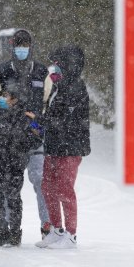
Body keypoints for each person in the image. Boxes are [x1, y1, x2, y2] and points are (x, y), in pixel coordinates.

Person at [0, 29, 51, 239]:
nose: (22, 49)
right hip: (10, 137)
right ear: (12, 47)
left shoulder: (41, 72)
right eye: (18, 45)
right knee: (7, 185)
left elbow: (49, 103)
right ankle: (8, 230)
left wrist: (38, 121)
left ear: (31, 47)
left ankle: (47, 227)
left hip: (34, 134)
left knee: (40, 180)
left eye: (25, 45)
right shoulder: (2, 71)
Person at [36, 45, 91, 250]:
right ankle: (56, 229)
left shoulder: (76, 88)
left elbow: (64, 121)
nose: (54, 69)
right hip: (54, 146)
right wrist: (35, 123)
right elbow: (51, 117)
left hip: (70, 148)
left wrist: (42, 123)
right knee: (47, 186)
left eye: (58, 65)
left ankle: (71, 235)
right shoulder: (58, 88)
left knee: (64, 189)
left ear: (69, 65)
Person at [0, 83, 44, 246]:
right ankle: (3, 231)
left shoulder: (27, 117)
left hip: (15, 164)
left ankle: (15, 233)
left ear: (15, 99)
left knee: (13, 198)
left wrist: (21, 146)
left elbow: (38, 136)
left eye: (7, 96)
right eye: (2, 95)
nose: (3, 98)